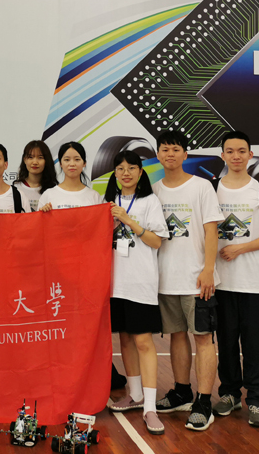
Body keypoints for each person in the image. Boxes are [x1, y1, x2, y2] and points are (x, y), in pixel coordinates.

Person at [152, 130, 224, 432]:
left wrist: (208, 269)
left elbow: (211, 230)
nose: (170, 154)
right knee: (177, 336)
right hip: (165, 279)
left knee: (203, 338)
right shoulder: (153, 190)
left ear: (185, 154)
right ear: (158, 154)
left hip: (197, 279)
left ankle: (204, 400)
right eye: (165, 149)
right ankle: (182, 391)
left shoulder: (201, 186)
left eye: (175, 149)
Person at [212, 131, 259, 428]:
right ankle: (229, 394)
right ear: (223, 155)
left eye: (242, 151)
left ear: (251, 155)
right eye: (230, 151)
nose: (236, 156)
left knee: (255, 345)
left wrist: (239, 248)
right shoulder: (211, 189)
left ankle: (256, 400)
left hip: (253, 280)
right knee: (226, 342)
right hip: (220, 281)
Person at [103, 151, 170, 435]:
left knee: (143, 341)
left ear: (141, 173)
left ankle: (150, 408)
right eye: (120, 168)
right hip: (113, 283)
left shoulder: (149, 201)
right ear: (115, 174)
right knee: (126, 340)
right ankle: (135, 394)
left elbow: (156, 241)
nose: (126, 173)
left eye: (132, 168)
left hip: (140, 282)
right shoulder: (106, 203)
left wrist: (129, 221)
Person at [38, 142, 101, 211]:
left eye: (77, 159)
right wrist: (43, 213)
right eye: (67, 160)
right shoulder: (48, 195)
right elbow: (38, 218)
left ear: (84, 163)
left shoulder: (94, 196)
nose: (72, 164)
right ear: (61, 164)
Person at [13, 140, 58, 212]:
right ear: (25, 160)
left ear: (46, 161)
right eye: (30, 157)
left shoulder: (54, 190)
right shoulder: (16, 188)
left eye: (40, 157)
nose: (35, 162)